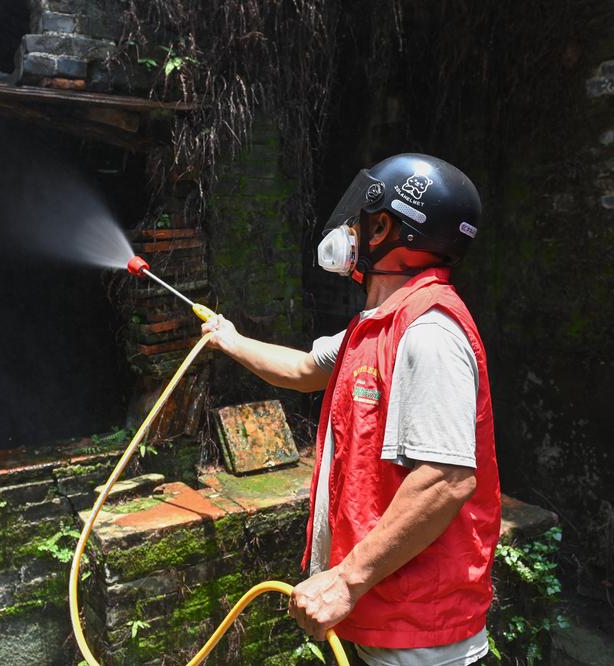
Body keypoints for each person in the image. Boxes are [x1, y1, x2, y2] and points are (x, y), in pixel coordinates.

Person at [202, 154, 501, 665]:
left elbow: (446, 478)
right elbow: (300, 370)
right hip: (380, 612)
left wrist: (343, 580)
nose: (350, 232)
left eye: (360, 219)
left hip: (418, 636)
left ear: (383, 225)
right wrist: (229, 340)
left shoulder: (429, 332)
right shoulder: (377, 325)